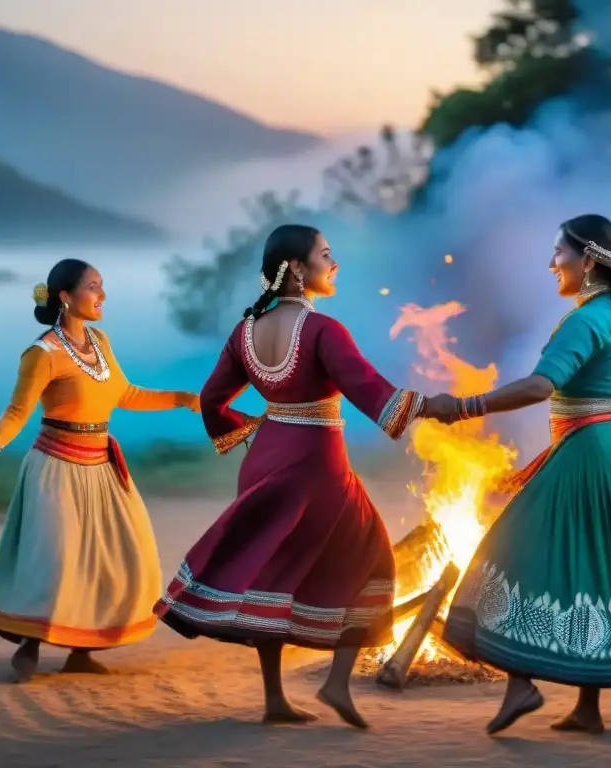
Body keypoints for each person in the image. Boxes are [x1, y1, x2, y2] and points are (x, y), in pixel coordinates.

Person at [154, 224, 452, 727]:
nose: (334, 265)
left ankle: (275, 698)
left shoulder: (244, 332)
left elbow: (210, 400)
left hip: (266, 459)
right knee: (373, 559)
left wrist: (247, 432)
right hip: (318, 467)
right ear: (296, 269)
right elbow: (371, 391)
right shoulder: (322, 331)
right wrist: (437, 405)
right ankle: (336, 684)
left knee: (274, 567)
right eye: (326, 256)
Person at [437, 214, 611, 736]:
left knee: (513, 553)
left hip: (586, 456)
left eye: (558, 252)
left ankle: (522, 684)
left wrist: (465, 405)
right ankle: (586, 708)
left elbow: (539, 387)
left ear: (588, 259)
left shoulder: (586, 321)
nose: (551, 263)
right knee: (592, 573)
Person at [0, 259, 201, 682]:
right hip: (55, 467)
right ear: (65, 297)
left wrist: (185, 398)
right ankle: (30, 642)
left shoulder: (100, 341)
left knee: (113, 556)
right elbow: (17, 412)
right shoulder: (41, 353)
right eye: (93, 286)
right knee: (57, 558)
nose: (102, 295)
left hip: (100, 465)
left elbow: (125, 393)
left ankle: (83, 648)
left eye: (102, 286)